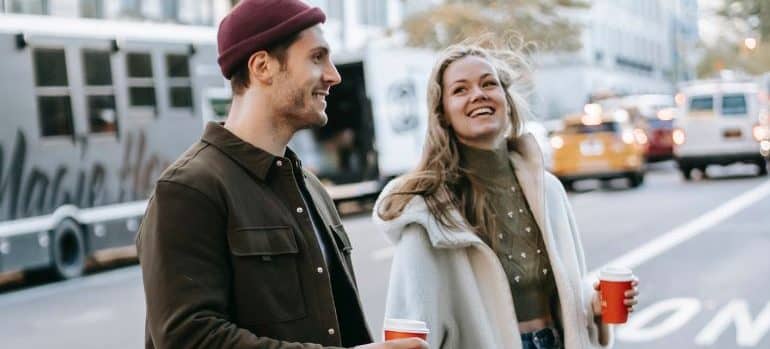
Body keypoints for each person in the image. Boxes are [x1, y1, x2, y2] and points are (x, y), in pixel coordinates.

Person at [137, 1, 428, 348]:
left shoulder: (311, 187)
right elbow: (190, 339)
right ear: (263, 66)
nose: (334, 75)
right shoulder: (189, 189)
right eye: (317, 57)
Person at [373, 40, 639, 349]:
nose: (478, 94)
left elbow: (569, 293)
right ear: (442, 113)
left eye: (489, 84)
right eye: (460, 90)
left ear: (506, 99)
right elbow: (408, 324)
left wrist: (595, 305)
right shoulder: (427, 206)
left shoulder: (548, 189)